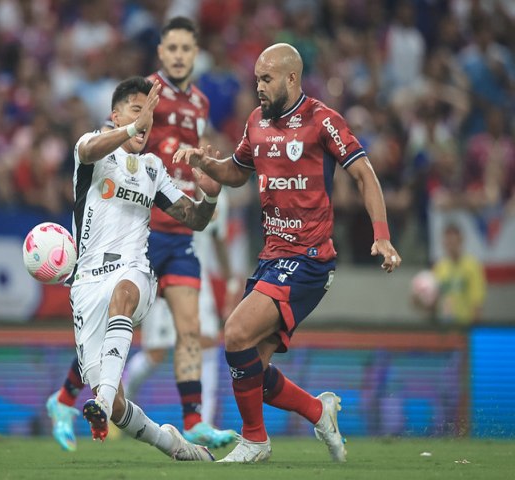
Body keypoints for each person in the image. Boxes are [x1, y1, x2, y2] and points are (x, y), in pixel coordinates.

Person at [173, 43, 402, 463]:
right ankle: (319, 410)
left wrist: (382, 235)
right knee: (252, 373)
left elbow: (364, 174)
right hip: (272, 257)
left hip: (310, 258)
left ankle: (255, 442)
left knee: (236, 332)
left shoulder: (322, 121)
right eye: (256, 78)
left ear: (291, 78)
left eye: (266, 79)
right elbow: (237, 174)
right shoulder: (256, 123)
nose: (258, 87)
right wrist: (205, 163)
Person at [46, 16, 235, 451]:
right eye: (136, 111)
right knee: (116, 409)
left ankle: (161, 412)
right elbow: (93, 147)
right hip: (87, 283)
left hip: (134, 272)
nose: (145, 121)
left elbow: (193, 217)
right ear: (115, 115)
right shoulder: (90, 151)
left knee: (131, 294)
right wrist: (131, 128)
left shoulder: (154, 169)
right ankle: (172, 443)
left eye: (148, 116)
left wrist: (209, 196)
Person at [124, 189, 236, 427]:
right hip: (166, 274)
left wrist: (231, 281)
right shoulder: (165, 184)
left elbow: (219, 240)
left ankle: (200, 423)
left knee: (206, 342)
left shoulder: (217, 195)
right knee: (155, 354)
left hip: (199, 279)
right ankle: (121, 399)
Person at [432, 223, 486, 325]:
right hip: (445, 328)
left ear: (460, 240)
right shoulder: (439, 268)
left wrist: (474, 327)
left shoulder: (472, 266)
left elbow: (477, 302)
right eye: (448, 242)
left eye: (454, 241)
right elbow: (434, 301)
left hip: (466, 326)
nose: (451, 245)